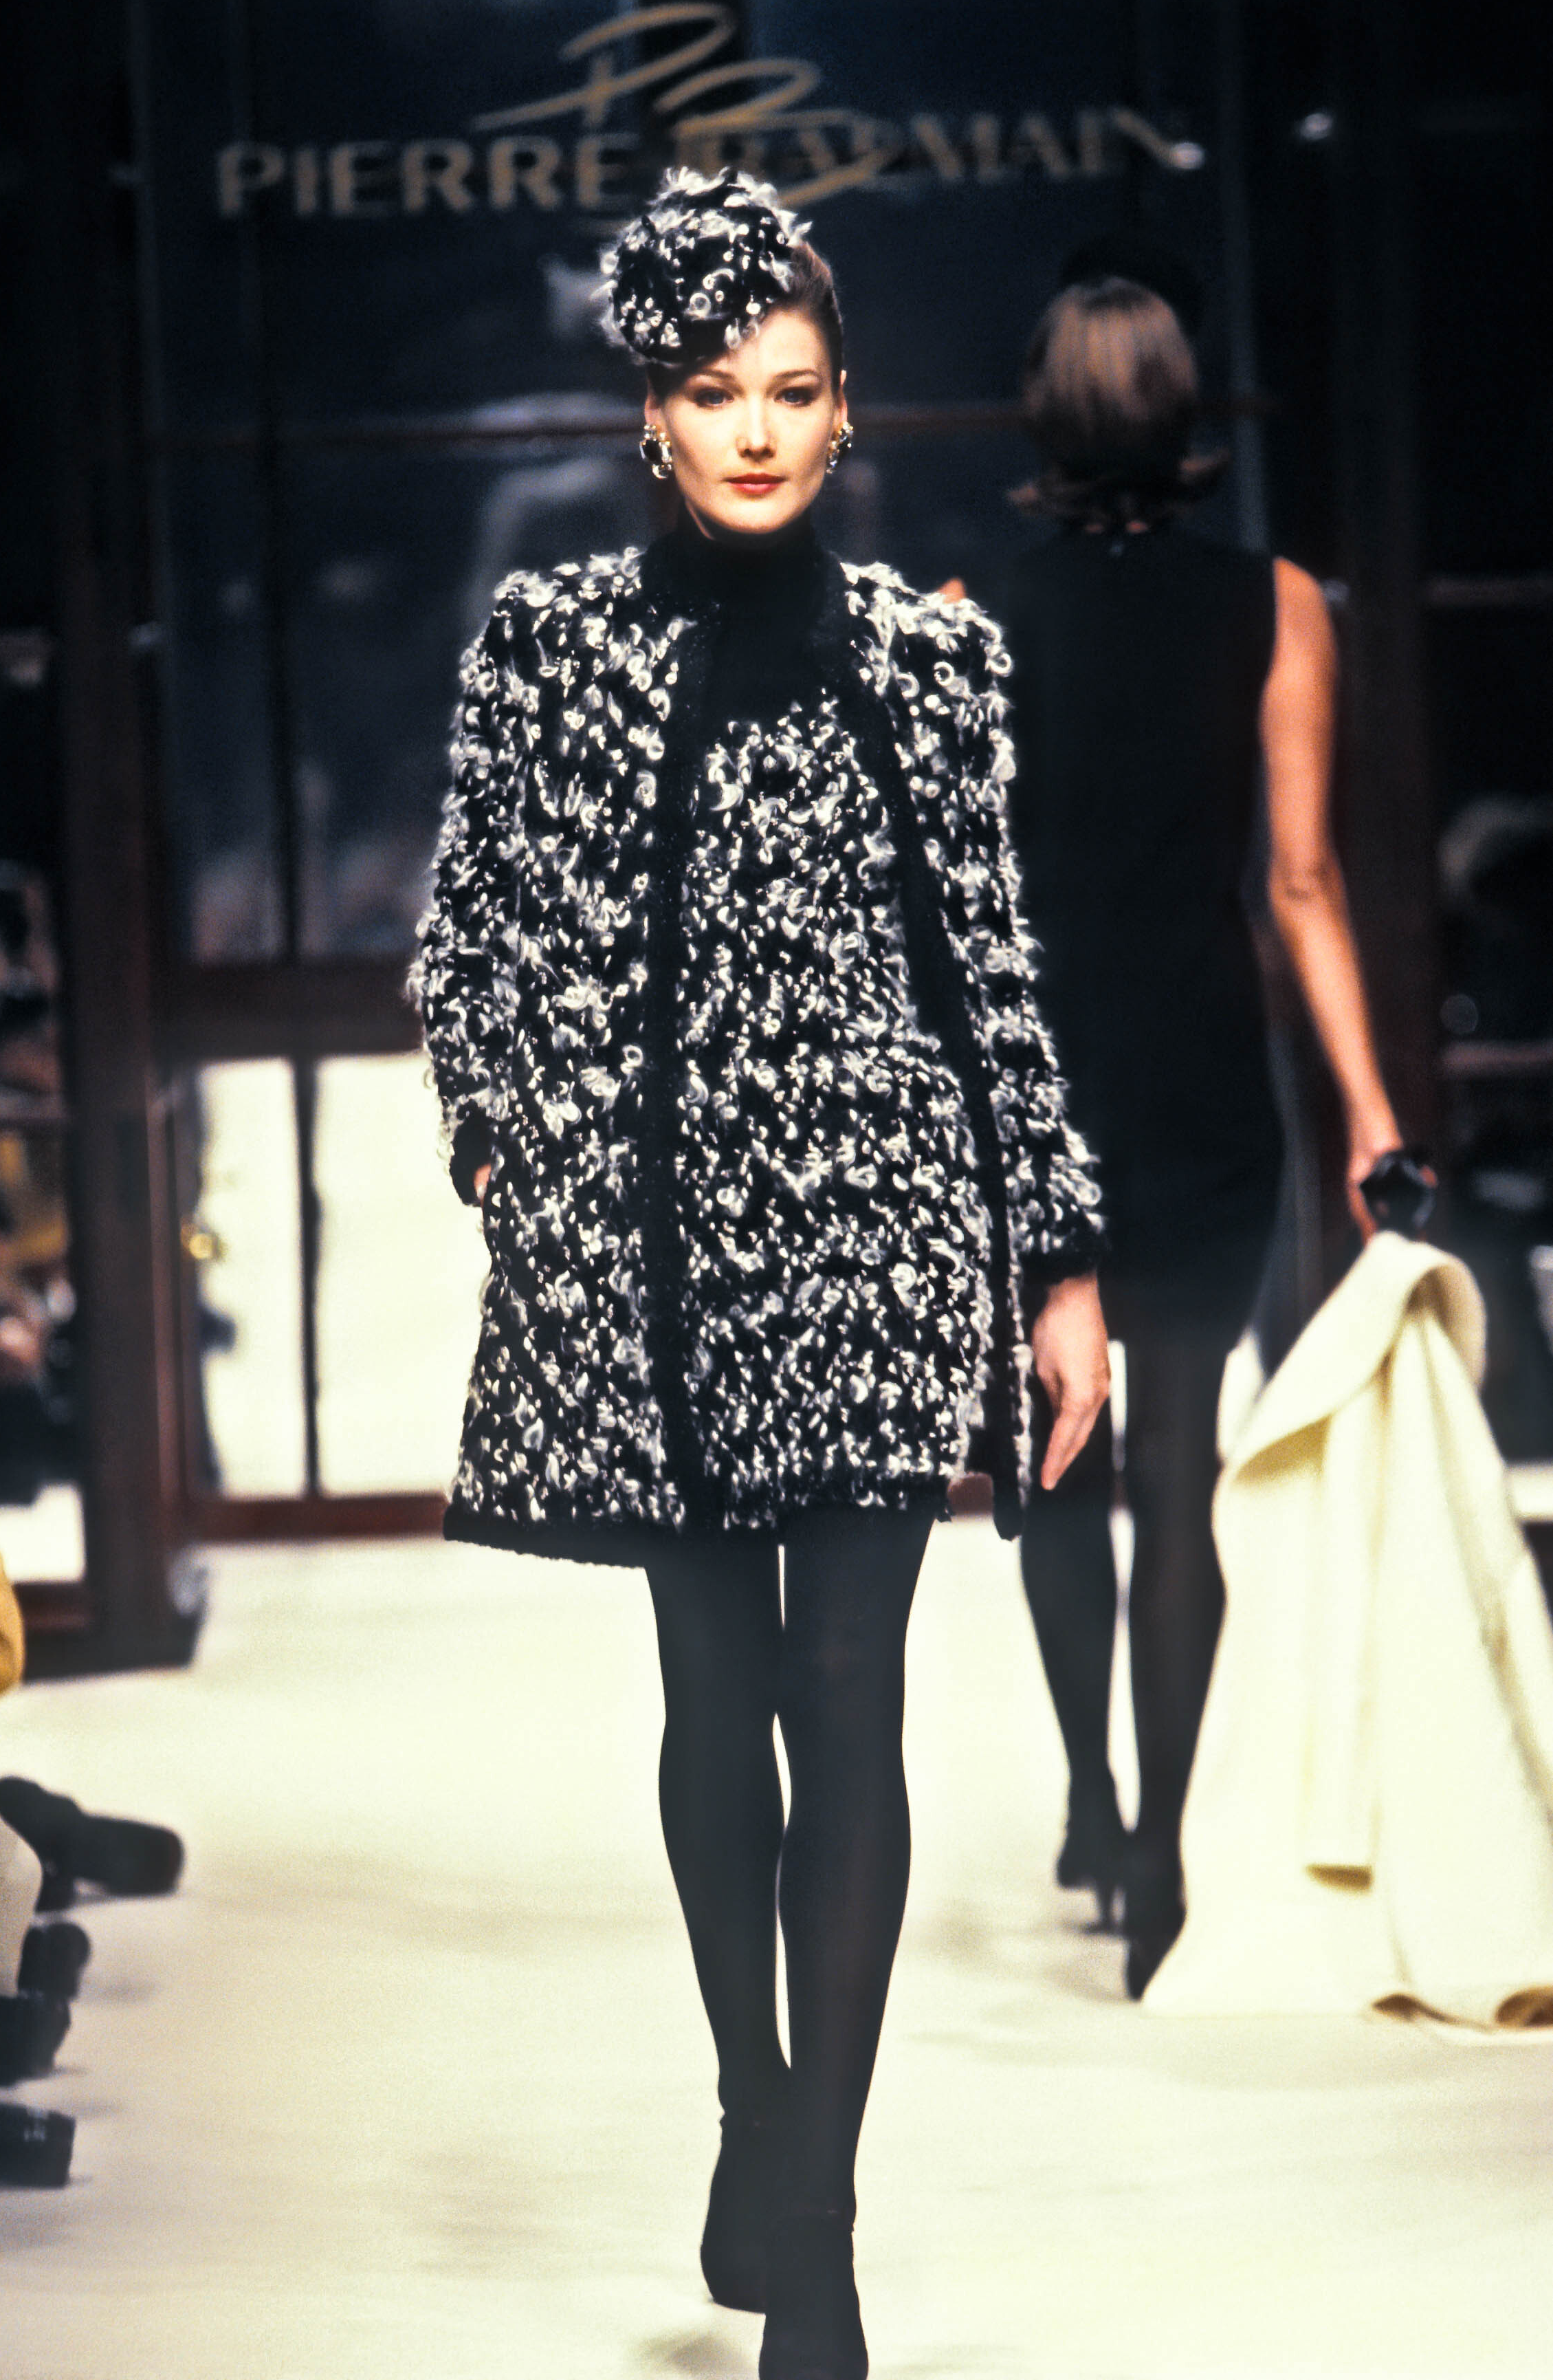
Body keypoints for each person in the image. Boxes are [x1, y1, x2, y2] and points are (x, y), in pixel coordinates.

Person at [411, 170, 1108, 2380]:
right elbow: (467, 936)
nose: (754, 428)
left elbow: (992, 978)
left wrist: (1058, 1258)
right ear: (652, 408)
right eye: (715, 390)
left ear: (843, 407)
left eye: (792, 390)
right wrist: (505, 1136)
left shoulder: (935, 658)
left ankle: (818, 2221)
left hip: (879, 1231)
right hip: (651, 1251)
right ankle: (751, 2091)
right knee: (718, 1706)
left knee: (848, 1700)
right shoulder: (547, 647)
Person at [999, 270, 1408, 1999]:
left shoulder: (963, 618)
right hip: (1199, 1068)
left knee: (1055, 1451)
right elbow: (1301, 879)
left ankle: (1093, 1803)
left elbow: (953, 907)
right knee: (1178, 1465)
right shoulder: (1279, 604)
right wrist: (1371, 1116)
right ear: (1183, 416)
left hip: (1040, 1081)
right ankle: (1161, 1856)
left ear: (1044, 413)